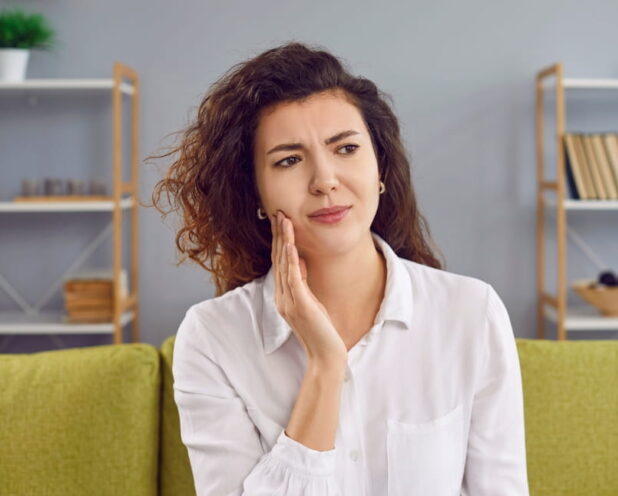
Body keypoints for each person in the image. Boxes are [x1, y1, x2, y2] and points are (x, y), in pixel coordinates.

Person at [148, 41, 529, 496]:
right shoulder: (212, 339)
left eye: (346, 148)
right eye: (288, 160)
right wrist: (325, 368)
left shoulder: (470, 311)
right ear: (256, 195)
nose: (325, 179)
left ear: (380, 169)